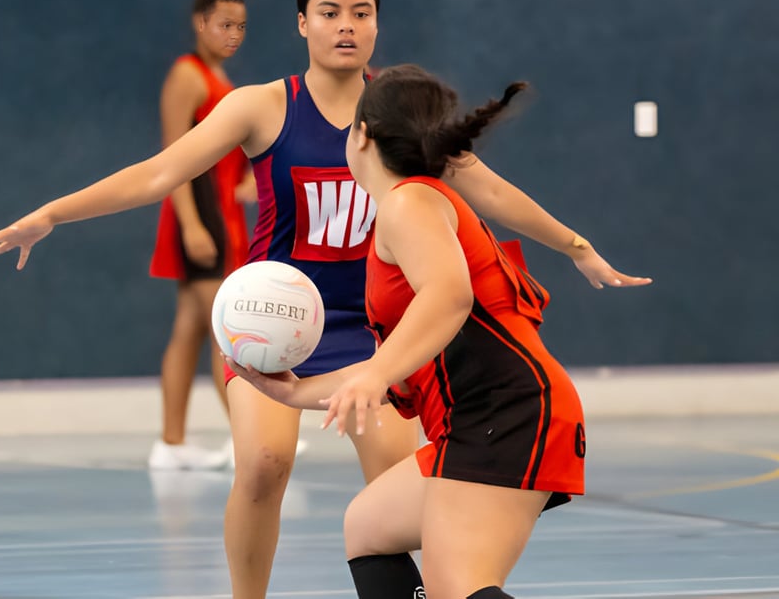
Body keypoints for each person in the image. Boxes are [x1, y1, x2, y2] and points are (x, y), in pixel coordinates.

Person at [0, 0, 651, 599]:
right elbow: (157, 174)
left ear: (379, 24)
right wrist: (51, 215)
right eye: (329, 12)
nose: (346, 25)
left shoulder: (397, 117)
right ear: (302, 24)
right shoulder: (263, 107)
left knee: (395, 489)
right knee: (264, 465)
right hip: (277, 323)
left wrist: (576, 246)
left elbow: (490, 189)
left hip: (375, 332)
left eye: (361, 12)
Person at [230, 64, 603, 599]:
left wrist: (375, 373)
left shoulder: (410, 202)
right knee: (369, 526)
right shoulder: (410, 205)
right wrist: (292, 392)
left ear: (361, 136)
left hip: (507, 412)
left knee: (461, 587)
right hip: (485, 416)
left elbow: (450, 297)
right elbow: (401, 355)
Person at [146, 0, 254, 470]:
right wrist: (190, 225)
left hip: (223, 215)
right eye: (224, 25)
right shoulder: (187, 76)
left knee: (190, 326)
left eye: (241, 27)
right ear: (200, 22)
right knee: (226, 328)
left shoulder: (223, 81)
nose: (233, 35)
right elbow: (173, 158)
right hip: (199, 218)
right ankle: (247, 437)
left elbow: (228, 168)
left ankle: (171, 445)